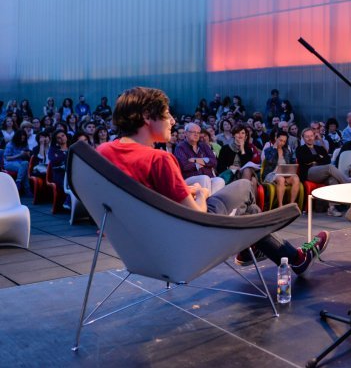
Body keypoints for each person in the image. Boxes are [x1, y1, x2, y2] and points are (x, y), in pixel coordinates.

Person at [96, 87, 328, 274]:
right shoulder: (159, 159)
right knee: (245, 186)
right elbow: (197, 215)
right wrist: (201, 193)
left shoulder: (103, 152)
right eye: (167, 114)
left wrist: (182, 190)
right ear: (147, 116)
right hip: (190, 240)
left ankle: (268, 250)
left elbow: (145, 194)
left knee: (247, 210)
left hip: (142, 247)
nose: (173, 121)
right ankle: (275, 251)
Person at [296, 127, 351, 216]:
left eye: (311, 136)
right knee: (330, 167)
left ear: (314, 136)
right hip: (309, 173)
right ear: (303, 138)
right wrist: (318, 157)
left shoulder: (320, 148)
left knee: (333, 180)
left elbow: (327, 160)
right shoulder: (300, 149)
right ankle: (348, 184)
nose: (310, 138)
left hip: (322, 173)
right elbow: (304, 160)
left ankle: (332, 208)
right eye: (307, 136)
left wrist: (315, 158)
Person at [174, 123, 225, 194]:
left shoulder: (203, 145)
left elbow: (214, 162)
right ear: (186, 133)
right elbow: (185, 166)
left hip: (208, 176)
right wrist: (203, 162)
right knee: (204, 178)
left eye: (198, 133)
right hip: (189, 177)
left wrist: (195, 160)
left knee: (219, 180)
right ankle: (205, 200)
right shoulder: (180, 147)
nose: (196, 134)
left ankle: (212, 200)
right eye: (193, 132)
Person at [261, 131, 301, 207]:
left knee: (296, 178)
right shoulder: (268, 150)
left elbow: (291, 163)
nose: (282, 143)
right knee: (281, 179)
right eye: (280, 140)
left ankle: (291, 204)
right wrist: (276, 151)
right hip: (271, 174)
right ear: (276, 138)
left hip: (284, 173)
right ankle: (280, 205)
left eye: (284, 141)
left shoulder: (286, 151)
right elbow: (270, 161)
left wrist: (293, 165)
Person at [4, 129, 32, 195]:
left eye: (24, 139)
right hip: (9, 163)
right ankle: (27, 188)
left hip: (21, 163)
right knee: (24, 168)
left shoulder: (25, 144)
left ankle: (18, 182)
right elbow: (7, 158)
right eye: (21, 138)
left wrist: (27, 154)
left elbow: (27, 156)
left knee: (25, 163)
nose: (22, 140)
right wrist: (19, 155)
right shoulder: (10, 144)